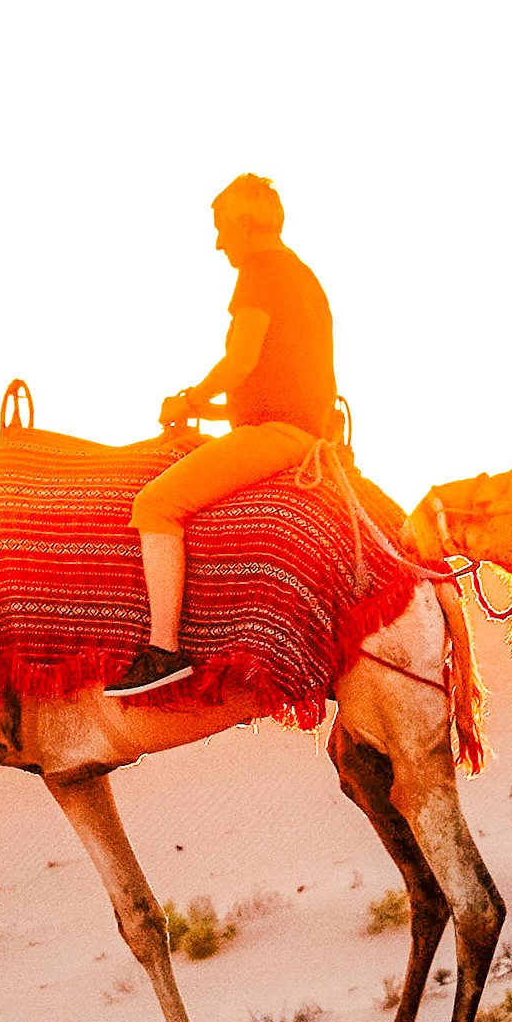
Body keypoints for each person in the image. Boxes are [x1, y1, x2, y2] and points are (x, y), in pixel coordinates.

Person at [112, 171, 339, 699]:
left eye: (220, 227)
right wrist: (208, 414)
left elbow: (240, 360)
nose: (217, 242)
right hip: (297, 431)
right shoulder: (301, 275)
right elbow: (274, 383)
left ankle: (164, 651)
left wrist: (190, 398)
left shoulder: (259, 271)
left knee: (156, 505)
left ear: (242, 224)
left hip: (278, 437)